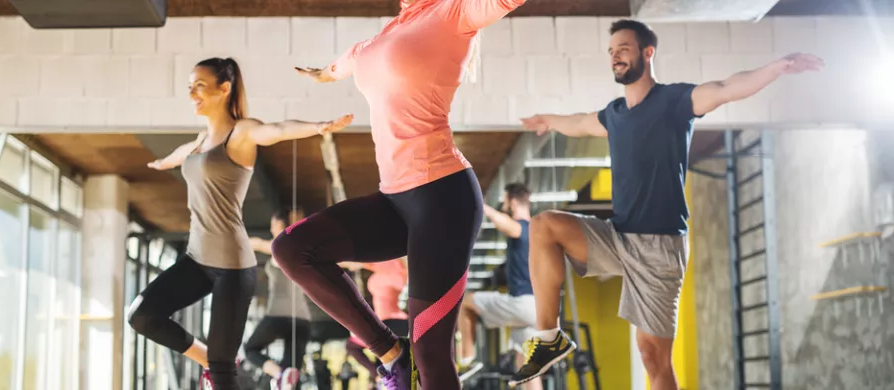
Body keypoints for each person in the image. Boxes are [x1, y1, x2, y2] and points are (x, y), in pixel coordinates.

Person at [508, 20, 823, 389]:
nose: (615, 57)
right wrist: (549, 119)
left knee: (652, 355)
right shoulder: (615, 114)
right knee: (544, 226)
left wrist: (777, 67)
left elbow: (724, 88)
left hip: (660, 247)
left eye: (623, 48)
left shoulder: (674, 101)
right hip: (619, 237)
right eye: (611, 52)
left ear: (647, 52)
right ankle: (550, 339)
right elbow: (579, 122)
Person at [271, 0, 527, 388]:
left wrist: (330, 73)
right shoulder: (387, 32)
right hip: (393, 200)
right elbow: (353, 58)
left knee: (431, 353)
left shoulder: (453, 13)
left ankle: (409, 357)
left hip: (443, 198)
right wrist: (325, 74)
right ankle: (391, 352)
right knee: (292, 249)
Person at [125, 56, 353, 390]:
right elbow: (182, 154)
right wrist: (164, 161)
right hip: (196, 260)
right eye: (189, 88)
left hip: (232, 268)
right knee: (141, 316)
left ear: (225, 88)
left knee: (222, 377)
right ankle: (210, 358)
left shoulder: (240, 133)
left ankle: (217, 363)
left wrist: (318, 127)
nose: (192, 95)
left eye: (199, 87)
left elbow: (275, 130)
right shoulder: (199, 142)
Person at [455, 183, 541, 390]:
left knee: (465, 301)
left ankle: (467, 359)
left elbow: (510, 226)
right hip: (540, 309)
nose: (503, 205)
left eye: (504, 202)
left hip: (524, 303)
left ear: (512, 202)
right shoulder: (539, 232)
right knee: (526, 365)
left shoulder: (524, 227)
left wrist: (482, 206)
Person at [244, 209, 312, 390]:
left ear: (279, 225)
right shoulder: (305, 250)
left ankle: (279, 373)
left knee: (251, 349)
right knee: (292, 378)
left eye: (273, 224)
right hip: (303, 319)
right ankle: (284, 375)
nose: (272, 227)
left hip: (279, 314)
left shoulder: (279, 245)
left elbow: (255, 243)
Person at [342, 258, 410, 389]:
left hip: (392, 321)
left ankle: (379, 375)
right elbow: (352, 263)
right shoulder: (382, 267)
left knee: (352, 346)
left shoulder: (394, 270)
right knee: (381, 353)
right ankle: (383, 378)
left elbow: (351, 262)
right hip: (388, 321)